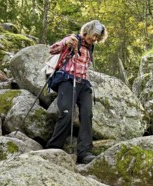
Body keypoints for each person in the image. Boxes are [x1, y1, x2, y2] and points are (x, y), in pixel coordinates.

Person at [45, 20, 107, 164]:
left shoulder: (91, 47)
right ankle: (54, 147)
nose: (95, 39)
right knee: (67, 113)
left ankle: (84, 152)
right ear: (87, 31)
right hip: (67, 80)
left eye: (98, 37)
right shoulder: (72, 40)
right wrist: (65, 42)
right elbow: (52, 50)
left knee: (87, 114)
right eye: (94, 35)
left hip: (83, 83)